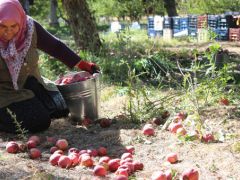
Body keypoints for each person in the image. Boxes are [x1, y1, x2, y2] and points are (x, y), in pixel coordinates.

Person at [0, 0, 99, 133]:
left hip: (29, 82)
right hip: (5, 91)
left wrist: (83, 64)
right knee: (40, 121)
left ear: (21, 21)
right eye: (3, 27)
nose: (9, 32)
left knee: (62, 109)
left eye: (13, 26)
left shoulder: (29, 28)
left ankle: (31, 103)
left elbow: (55, 47)